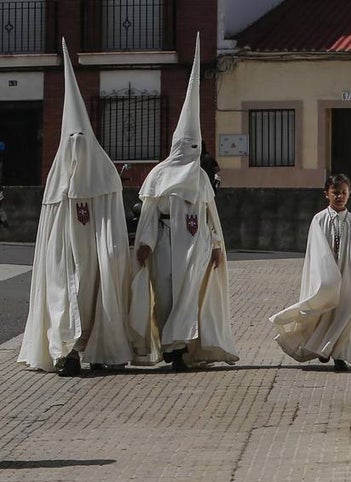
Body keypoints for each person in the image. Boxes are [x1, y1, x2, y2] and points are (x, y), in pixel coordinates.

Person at [18, 40, 137, 376]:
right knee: (63, 298)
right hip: (64, 257)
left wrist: (110, 252)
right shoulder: (58, 179)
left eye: (81, 140)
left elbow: (112, 221)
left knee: (98, 299)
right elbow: (50, 228)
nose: (76, 149)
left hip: (97, 257)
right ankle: (65, 352)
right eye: (71, 141)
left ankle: (101, 349)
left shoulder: (106, 177)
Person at [130, 33, 237, 371]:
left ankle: (179, 350)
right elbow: (148, 214)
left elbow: (209, 215)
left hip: (197, 246)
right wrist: (144, 245)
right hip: (164, 246)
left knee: (189, 298)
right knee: (165, 298)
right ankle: (169, 347)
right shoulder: (160, 176)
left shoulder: (202, 178)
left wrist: (217, 245)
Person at [269, 174, 351, 370]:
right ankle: (322, 347)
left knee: (345, 312)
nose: (340, 197)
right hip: (326, 277)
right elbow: (317, 251)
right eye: (335, 193)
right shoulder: (319, 220)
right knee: (323, 311)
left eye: (344, 193)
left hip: (347, 276)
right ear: (326, 194)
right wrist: (327, 274)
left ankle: (337, 353)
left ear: (349, 194)